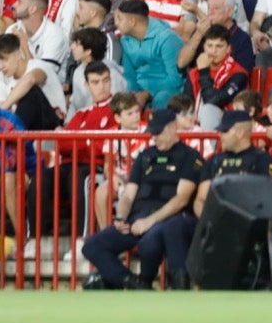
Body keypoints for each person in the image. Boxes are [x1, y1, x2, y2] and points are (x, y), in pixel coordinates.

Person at [80, 106, 203, 290]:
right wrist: (120, 217)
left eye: (158, 132)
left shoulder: (190, 156)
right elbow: (128, 195)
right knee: (92, 246)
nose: (154, 137)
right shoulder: (144, 156)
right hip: (136, 220)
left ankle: (146, 282)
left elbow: (181, 199)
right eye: (152, 133)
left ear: (172, 127)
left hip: (166, 219)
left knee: (149, 243)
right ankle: (134, 283)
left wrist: (149, 221)